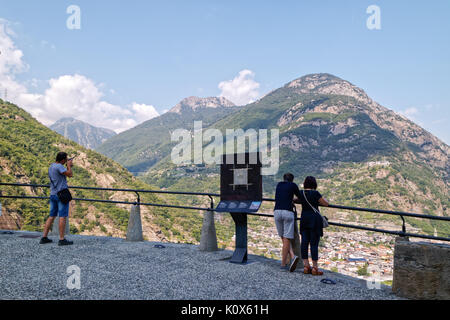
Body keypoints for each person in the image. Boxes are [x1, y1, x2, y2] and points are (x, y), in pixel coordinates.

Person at [294, 176, 329, 276]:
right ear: (314, 184)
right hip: (314, 220)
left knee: (304, 243)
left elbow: (295, 200)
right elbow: (326, 203)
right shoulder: (315, 193)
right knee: (314, 244)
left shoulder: (301, 193)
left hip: (304, 219)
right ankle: (315, 268)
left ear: (305, 184)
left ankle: (306, 266)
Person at [40, 152, 74, 246]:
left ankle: (44, 237)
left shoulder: (51, 166)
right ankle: (62, 239)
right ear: (63, 160)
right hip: (61, 195)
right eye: (65, 159)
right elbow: (70, 174)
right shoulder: (59, 167)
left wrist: (67, 165)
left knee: (51, 216)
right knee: (62, 216)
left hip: (53, 194)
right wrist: (69, 166)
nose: (66, 161)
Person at [273, 173, 301, 272]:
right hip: (288, 212)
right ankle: (283, 264)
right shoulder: (293, 186)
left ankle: (293, 256)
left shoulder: (279, 185)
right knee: (286, 239)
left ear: (283, 179)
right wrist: (293, 200)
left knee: (283, 238)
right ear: (292, 180)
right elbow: (300, 197)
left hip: (277, 211)